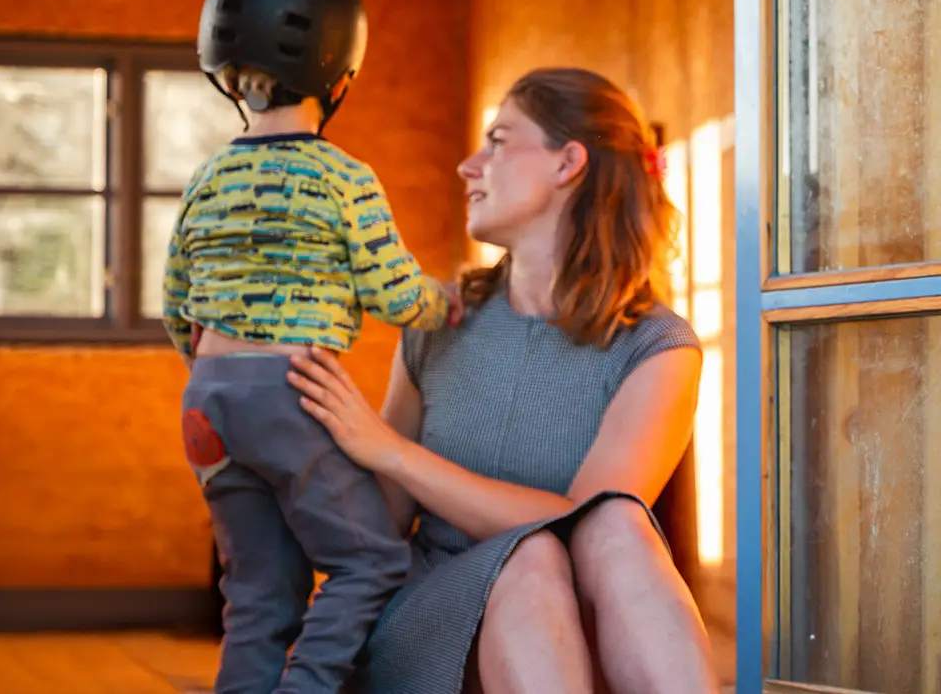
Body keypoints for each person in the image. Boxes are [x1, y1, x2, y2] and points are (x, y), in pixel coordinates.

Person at [287, 66, 720, 694]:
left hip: (579, 617)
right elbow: (377, 524)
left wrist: (395, 453)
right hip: (431, 609)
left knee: (611, 524)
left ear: (567, 163)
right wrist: (292, 454)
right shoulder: (437, 323)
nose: (469, 165)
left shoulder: (657, 346)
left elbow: (583, 523)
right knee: (533, 554)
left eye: (498, 140)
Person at [162, 0, 460, 694]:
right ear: (342, 76)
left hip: (207, 406)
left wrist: (217, 371)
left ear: (223, 69)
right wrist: (450, 301)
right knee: (369, 559)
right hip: (290, 392)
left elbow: (176, 305)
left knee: (257, 595)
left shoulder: (206, 179)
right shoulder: (342, 177)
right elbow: (395, 294)